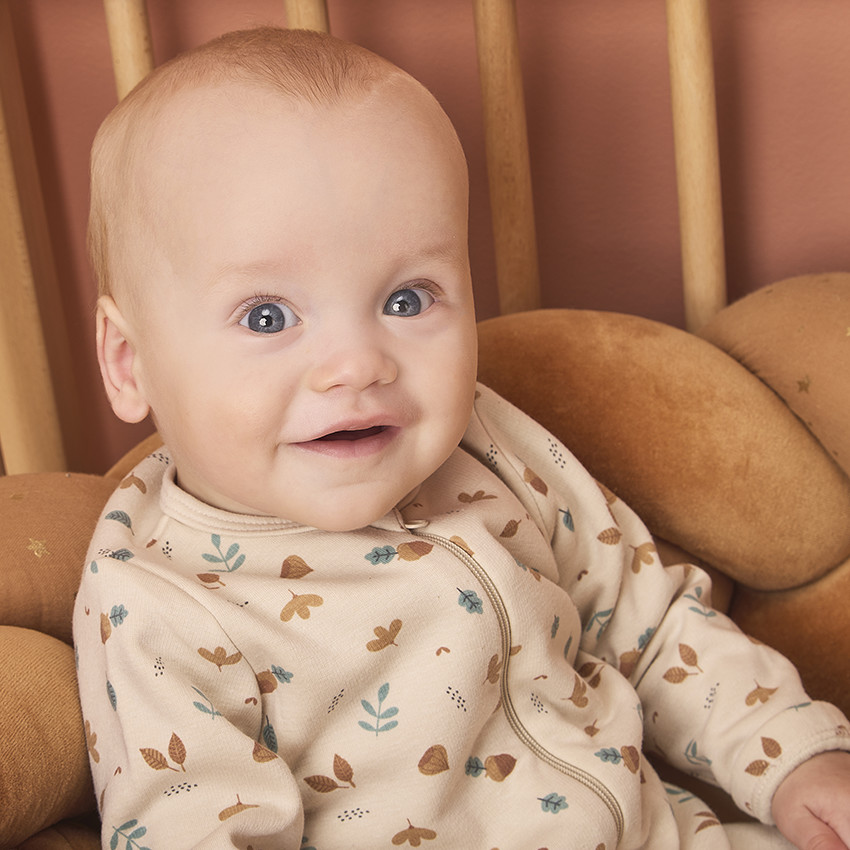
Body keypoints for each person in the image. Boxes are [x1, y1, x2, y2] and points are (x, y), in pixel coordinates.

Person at [74, 26, 850, 850]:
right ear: (129, 363)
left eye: (407, 300)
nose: (357, 365)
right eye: (268, 317)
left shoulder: (486, 442)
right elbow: (195, 828)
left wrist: (793, 757)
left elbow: (645, 620)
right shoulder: (154, 600)